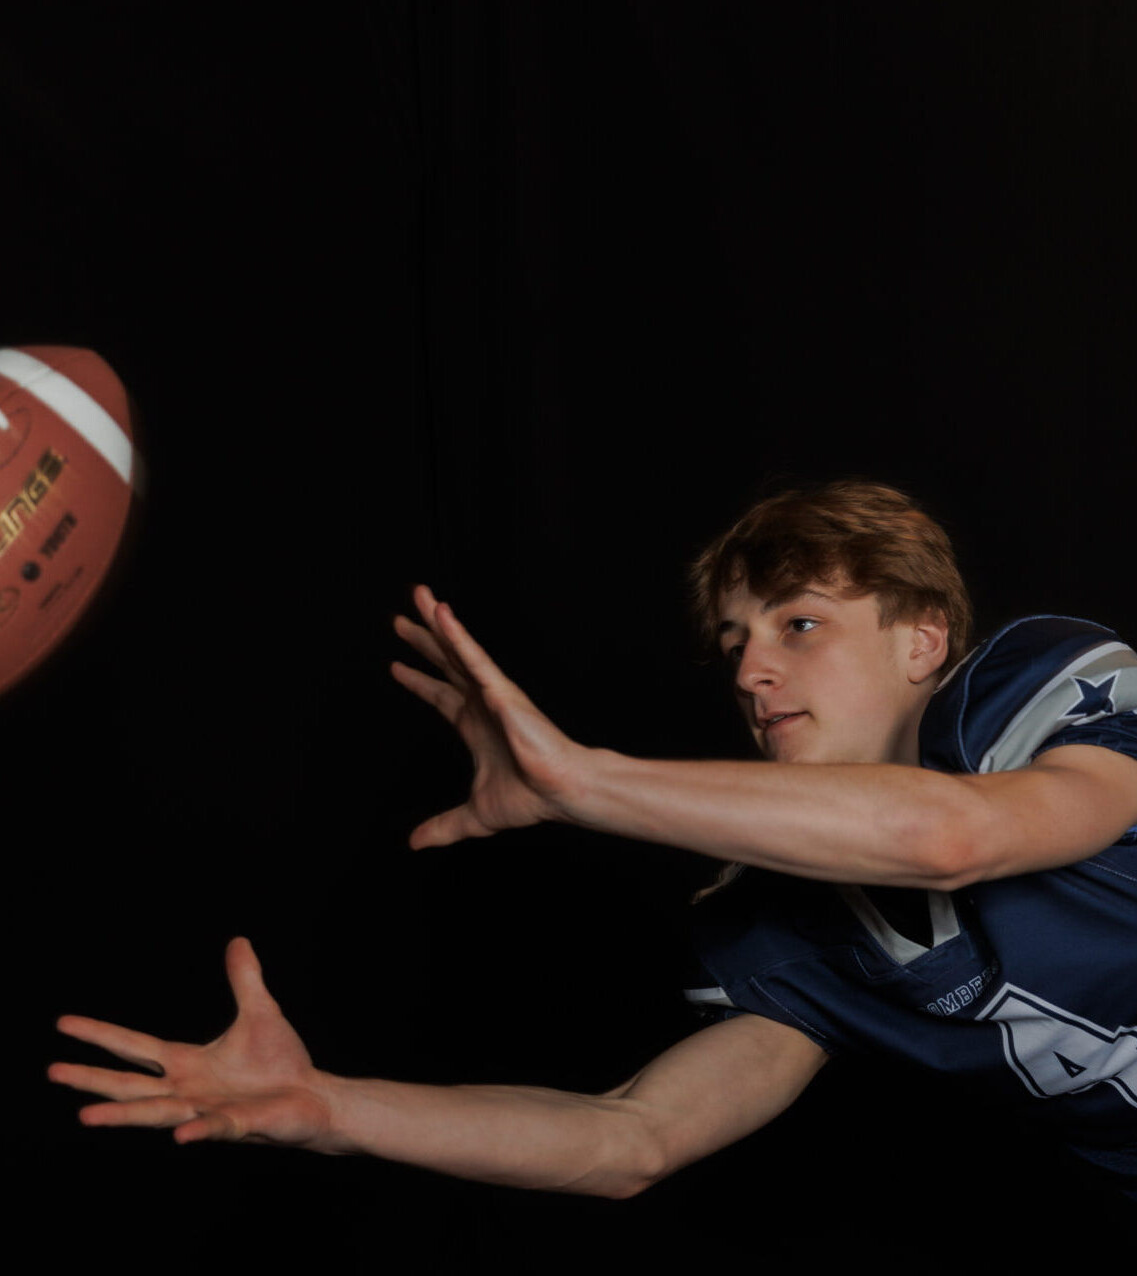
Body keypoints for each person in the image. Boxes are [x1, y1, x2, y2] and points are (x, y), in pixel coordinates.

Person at [47, 479, 1137, 1206]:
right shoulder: (782, 924)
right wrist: (337, 1107)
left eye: (797, 623)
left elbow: (952, 835)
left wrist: (581, 782)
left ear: (923, 638)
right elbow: (631, 1138)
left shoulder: (1035, 680)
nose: (753, 671)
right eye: (735, 643)